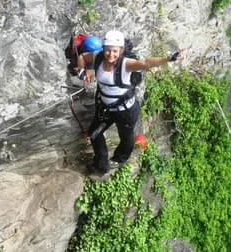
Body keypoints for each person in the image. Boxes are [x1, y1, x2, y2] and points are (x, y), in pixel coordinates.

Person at [77, 30, 185, 173]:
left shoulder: (126, 64)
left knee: (126, 137)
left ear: (121, 50)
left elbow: (145, 62)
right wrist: (81, 70)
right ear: (104, 49)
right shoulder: (98, 57)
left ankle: (119, 159)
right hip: (106, 109)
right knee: (94, 133)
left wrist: (168, 59)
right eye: (108, 50)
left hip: (125, 111)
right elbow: (82, 57)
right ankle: (102, 163)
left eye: (115, 51)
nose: (111, 54)